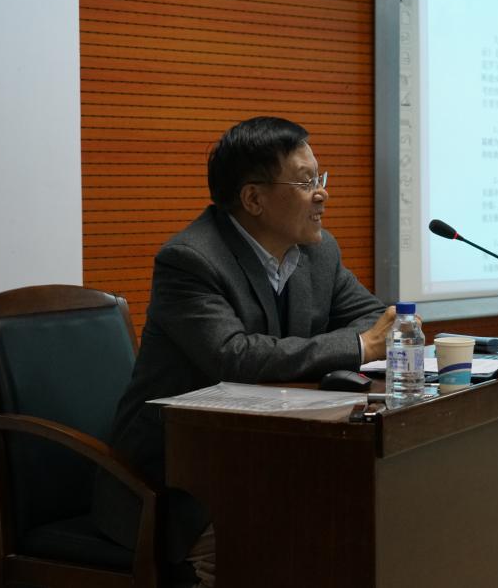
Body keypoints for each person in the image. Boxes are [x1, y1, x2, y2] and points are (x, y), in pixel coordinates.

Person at [92, 116, 393, 586]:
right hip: (178, 478)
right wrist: (356, 347)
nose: (322, 194)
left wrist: (361, 340)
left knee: (354, 521)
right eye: (305, 182)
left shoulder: (318, 252)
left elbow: (374, 319)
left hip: (270, 457)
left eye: (320, 178)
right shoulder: (190, 260)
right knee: (279, 546)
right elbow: (233, 357)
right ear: (253, 199)